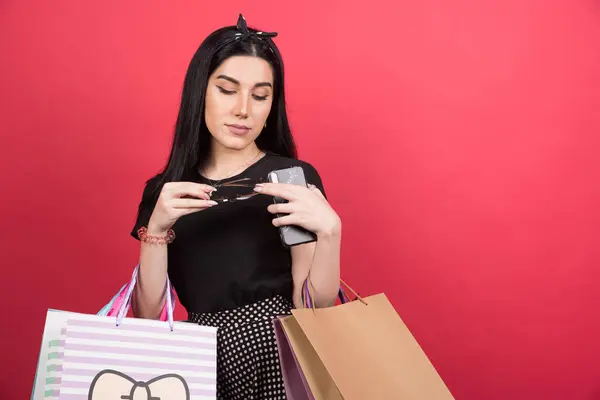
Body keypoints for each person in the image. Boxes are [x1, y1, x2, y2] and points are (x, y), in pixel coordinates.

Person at [129, 14, 342, 400]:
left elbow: (314, 306)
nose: (243, 109)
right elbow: (148, 319)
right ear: (200, 92)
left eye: (260, 96)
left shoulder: (289, 178)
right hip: (197, 360)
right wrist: (156, 229)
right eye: (227, 90)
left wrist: (330, 233)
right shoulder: (164, 192)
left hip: (278, 351)